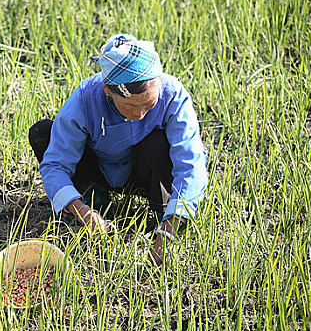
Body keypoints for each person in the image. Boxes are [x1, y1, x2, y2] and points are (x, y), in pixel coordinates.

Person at [28, 34, 208, 265]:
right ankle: (92, 196)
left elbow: (190, 163)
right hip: (101, 168)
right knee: (43, 133)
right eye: (130, 106)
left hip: (145, 170)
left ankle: (164, 211)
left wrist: (169, 231)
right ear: (107, 90)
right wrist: (82, 210)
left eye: (149, 104)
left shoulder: (172, 95)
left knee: (158, 143)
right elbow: (55, 165)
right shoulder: (86, 99)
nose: (139, 114)